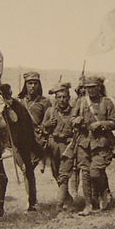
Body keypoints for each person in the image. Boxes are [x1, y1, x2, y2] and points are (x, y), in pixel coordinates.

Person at [71, 76, 115, 216]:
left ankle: (104, 192)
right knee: (85, 173)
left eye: (93, 87)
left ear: (99, 87)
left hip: (101, 143)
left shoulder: (107, 102)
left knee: (95, 172)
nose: (90, 90)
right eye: (88, 87)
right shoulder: (80, 102)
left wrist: (101, 124)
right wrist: (76, 120)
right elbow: (72, 119)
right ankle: (88, 204)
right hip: (84, 142)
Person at [42, 81, 75, 211]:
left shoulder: (73, 111)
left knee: (64, 175)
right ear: (55, 98)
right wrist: (48, 124)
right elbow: (43, 127)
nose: (62, 100)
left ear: (69, 98)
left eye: (64, 97)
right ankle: (68, 199)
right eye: (59, 97)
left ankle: (59, 205)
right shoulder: (50, 111)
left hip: (67, 145)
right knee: (56, 174)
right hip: (53, 145)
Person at [18, 71, 52, 155]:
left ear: (39, 85)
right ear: (25, 85)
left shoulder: (45, 102)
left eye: (35, 83)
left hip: (37, 138)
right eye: (30, 83)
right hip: (20, 138)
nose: (33, 86)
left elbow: (49, 120)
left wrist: (45, 125)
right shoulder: (19, 101)